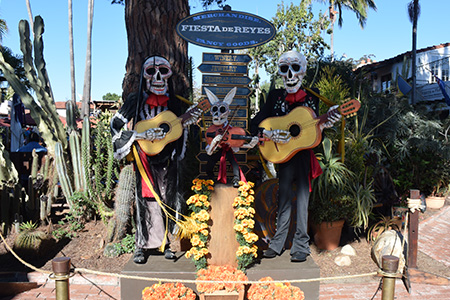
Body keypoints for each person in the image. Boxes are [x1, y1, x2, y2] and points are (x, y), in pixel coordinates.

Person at [250, 50, 340, 262]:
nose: (289, 74)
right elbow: (255, 123)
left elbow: (313, 129)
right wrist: (269, 134)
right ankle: (278, 242)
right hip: (283, 155)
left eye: (295, 68)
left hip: (303, 156)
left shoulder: (312, 96)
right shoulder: (274, 96)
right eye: (284, 69)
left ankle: (300, 244)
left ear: (304, 71)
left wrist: (325, 122)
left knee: (302, 199)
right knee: (283, 199)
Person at [110, 56, 201, 264]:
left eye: (163, 71)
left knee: (166, 199)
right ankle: (141, 245)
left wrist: (187, 125)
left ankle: (165, 244)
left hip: (167, 159)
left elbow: (179, 129)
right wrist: (139, 136)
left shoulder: (175, 103)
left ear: (169, 76)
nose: (158, 77)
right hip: (144, 159)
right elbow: (115, 124)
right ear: (144, 77)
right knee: (145, 200)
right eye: (151, 72)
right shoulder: (135, 101)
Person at [203, 87, 259, 187]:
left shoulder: (232, 129)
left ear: (228, 113)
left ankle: (236, 179)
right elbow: (209, 152)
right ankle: (210, 178)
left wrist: (250, 144)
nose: (217, 114)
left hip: (228, 148)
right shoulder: (212, 130)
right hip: (218, 149)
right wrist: (214, 143)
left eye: (222, 110)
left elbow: (237, 143)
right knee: (210, 161)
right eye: (215, 110)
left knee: (233, 162)